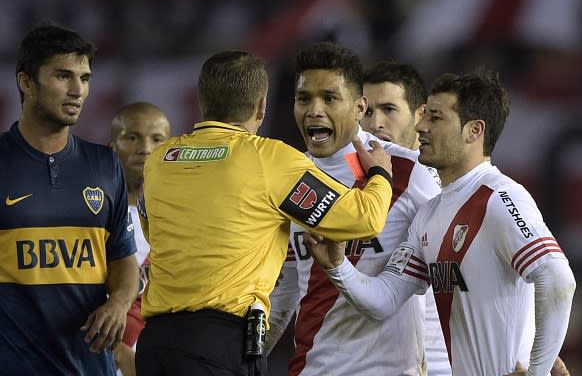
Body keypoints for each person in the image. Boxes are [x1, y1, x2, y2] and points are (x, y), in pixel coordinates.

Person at [134, 50, 396, 376]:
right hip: (218, 345)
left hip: (154, 346)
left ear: (202, 102)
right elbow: (365, 220)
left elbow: (152, 231)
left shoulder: (160, 160)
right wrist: (381, 175)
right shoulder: (269, 160)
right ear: (261, 106)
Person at [306, 68, 576, 376]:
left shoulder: (500, 198)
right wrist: (338, 267)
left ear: (474, 130)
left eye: (435, 118)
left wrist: (538, 371)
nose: (420, 126)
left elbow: (557, 278)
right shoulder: (429, 214)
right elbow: (385, 299)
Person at [266, 42, 443, 376]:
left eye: (329, 98)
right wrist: (244, 360)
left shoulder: (407, 172)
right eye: (304, 99)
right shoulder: (285, 179)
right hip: (313, 368)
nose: (314, 110)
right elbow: (286, 290)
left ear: (359, 107)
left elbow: (456, 270)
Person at [0, 24, 139, 375]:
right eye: (64, 76)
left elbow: (123, 259)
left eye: (85, 78)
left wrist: (119, 304)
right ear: (26, 82)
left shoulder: (105, 165)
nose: (78, 90)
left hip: (91, 368)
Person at [362, 61, 451, 376]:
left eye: (389, 109)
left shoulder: (439, 185)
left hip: (438, 363)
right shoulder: (355, 185)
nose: (375, 124)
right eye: (367, 111)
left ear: (421, 116)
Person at [109, 102, 172, 376]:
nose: (145, 148)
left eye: (157, 139)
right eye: (132, 137)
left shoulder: (182, 222)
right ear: (112, 147)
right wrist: (121, 354)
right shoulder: (97, 220)